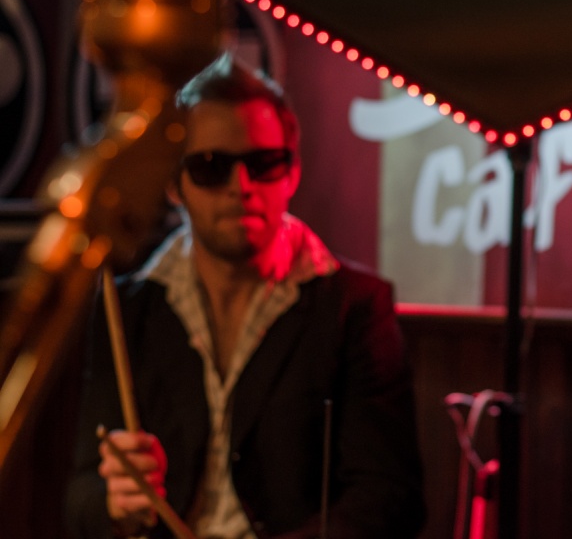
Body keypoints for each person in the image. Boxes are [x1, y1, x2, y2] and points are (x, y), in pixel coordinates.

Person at [65, 55, 426, 538]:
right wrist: (114, 504)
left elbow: (389, 498)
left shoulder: (355, 307)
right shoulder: (126, 309)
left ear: (291, 172)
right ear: (174, 184)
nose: (241, 187)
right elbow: (81, 499)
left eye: (263, 164)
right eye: (211, 167)